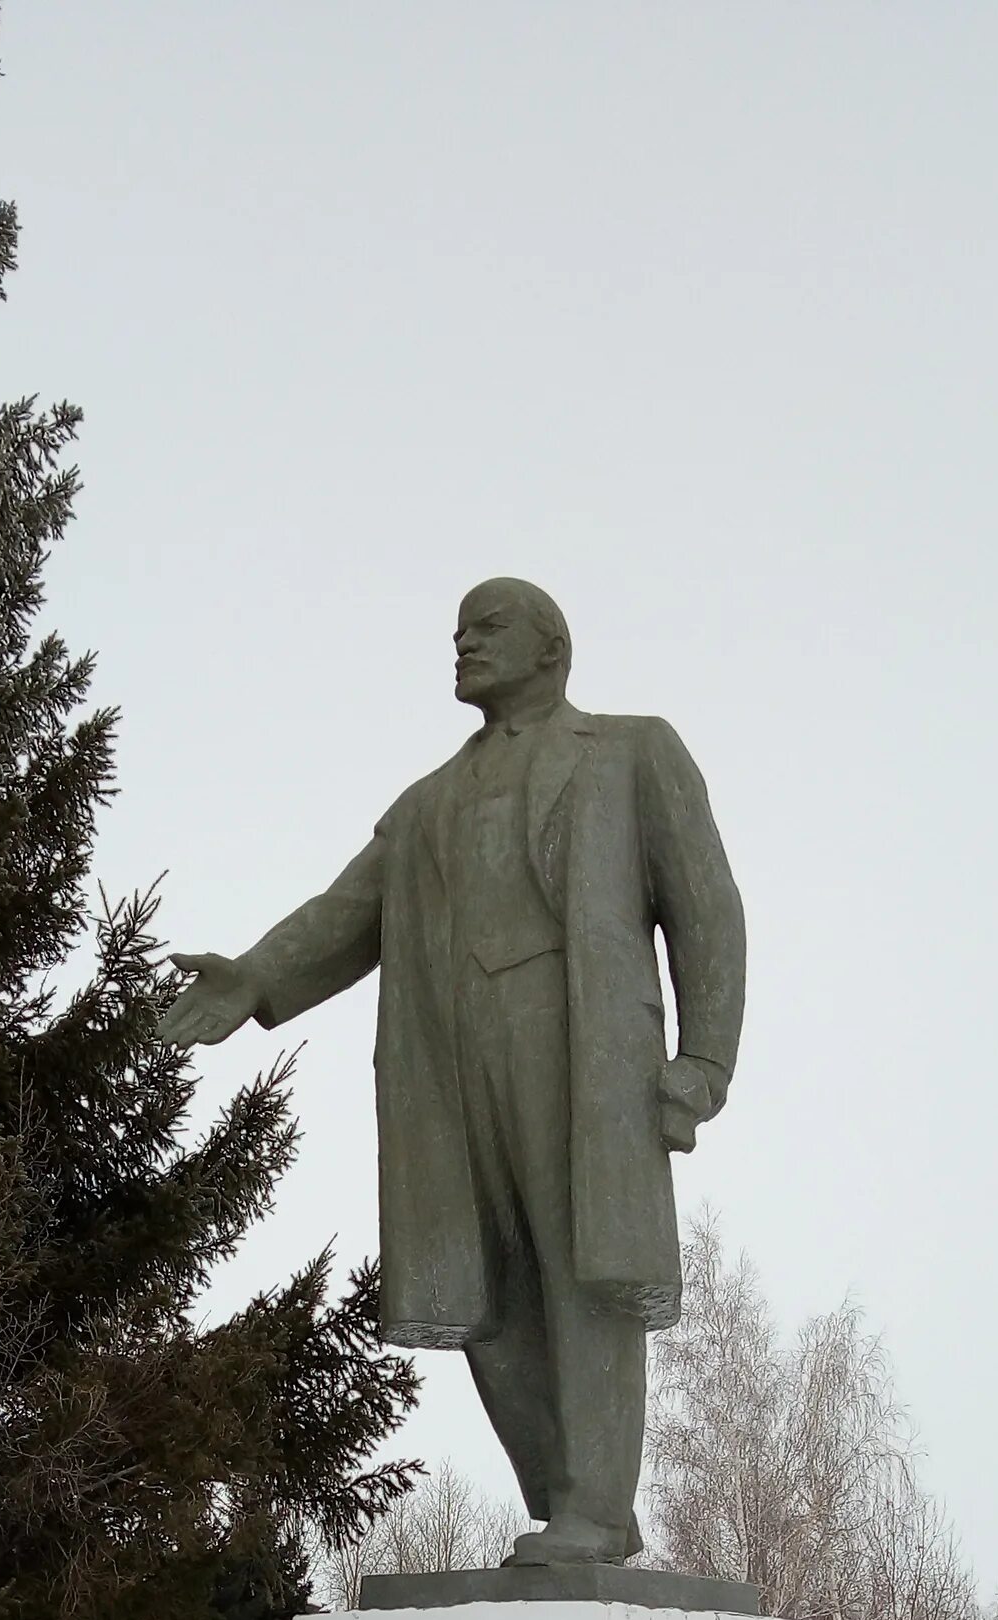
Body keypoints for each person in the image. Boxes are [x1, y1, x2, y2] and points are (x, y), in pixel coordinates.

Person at [160, 579, 745, 1567]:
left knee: (583, 1270)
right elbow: (346, 913)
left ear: (552, 648)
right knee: (485, 1290)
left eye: (486, 628)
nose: (462, 644)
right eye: (458, 631)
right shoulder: (430, 800)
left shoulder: (634, 751)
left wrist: (702, 1063)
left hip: (582, 1049)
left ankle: (594, 1508)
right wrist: (256, 977)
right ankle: (571, 1496)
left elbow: (706, 908)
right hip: (448, 1057)